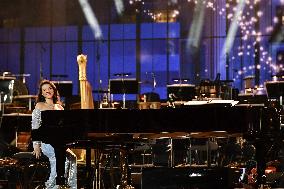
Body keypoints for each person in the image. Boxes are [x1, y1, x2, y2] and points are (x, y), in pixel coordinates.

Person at [31, 80, 77, 189]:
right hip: (46, 142)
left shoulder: (59, 107)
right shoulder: (40, 105)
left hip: (59, 142)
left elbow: (64, 127)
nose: (47, 91)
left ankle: (69, 186)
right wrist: (36, 145)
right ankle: (52, 186)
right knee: (61, 160)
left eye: (50, 88)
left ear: (54, 90)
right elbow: (35, 125)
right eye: (44, 89)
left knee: (72, 157)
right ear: (42, 93)